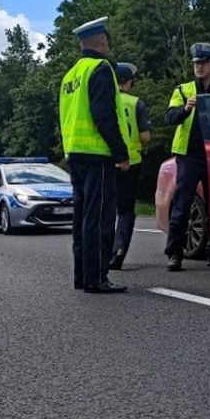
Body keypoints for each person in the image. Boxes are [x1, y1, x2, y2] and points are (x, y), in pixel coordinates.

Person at [59, 16, 131, 293]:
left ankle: (82, 275)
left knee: (82, 219)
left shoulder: (71, 75)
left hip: (75, 153)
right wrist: (120, 153)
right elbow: (104, 116)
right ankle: (96, 277)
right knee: (99, 217)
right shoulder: (100, 68)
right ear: (100, 40)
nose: (108, 42)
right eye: (107, 38)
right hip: (97, 154)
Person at [164, 42, 210, 272]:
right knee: (182, 205)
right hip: (189, 155)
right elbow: (169, 118)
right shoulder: (183, 90)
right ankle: (175, 254)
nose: (199, 67)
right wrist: (186, 109)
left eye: (203, 63)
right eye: (196, 63)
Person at [109, 62, 151, 271]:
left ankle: (103, 251)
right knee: (125, 211)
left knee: (106, 208)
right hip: (131, 163)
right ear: (129, 83)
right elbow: (145, 136)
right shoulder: (136, 104)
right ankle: (119, 250)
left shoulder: (105, 99)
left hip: (106, 163)